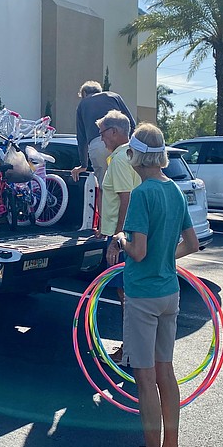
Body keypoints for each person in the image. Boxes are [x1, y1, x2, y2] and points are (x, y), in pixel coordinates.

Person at [110, 123, 200, 447]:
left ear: (135, 155)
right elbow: (192, 244)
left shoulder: (143, 194)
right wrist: (166, 259)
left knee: (144, 379)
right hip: (169, 294)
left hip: (143, 297)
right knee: (166, 372)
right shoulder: (175, 191)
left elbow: (139, 249)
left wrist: (119, 239)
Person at [96, 110, 140, 362]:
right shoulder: (126, 157)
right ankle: (133, 351)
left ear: (114, 132)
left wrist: (115, 239)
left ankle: (129, 352)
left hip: (124, 238)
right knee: (128, 296)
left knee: (127, 297)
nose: (101, 139)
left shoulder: (122, 159)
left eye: (102, 133)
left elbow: (127, 199)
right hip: (127, 235)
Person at [70, 80, 135, 187]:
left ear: (84, 93)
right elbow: (131, 123)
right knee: (125, 183)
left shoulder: (83, 103)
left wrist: (83, 164)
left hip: (98, 146)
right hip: (122, 144)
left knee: (104, 186)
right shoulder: (114, 96)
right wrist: (129, 144)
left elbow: (81, 139)